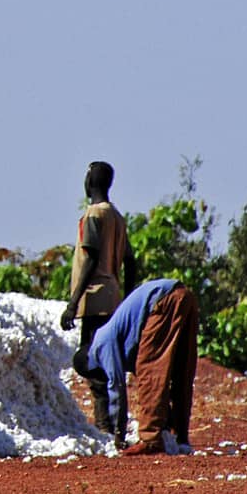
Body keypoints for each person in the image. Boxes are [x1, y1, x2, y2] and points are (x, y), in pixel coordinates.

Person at [73, 277, 200, 456]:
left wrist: (119, 433)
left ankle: (150, 439)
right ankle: (181, 437)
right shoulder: (121, 341)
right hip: (184, 297)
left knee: (150, 372)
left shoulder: (100, 346)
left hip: (164, 301)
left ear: (90, 366)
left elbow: (117, 385)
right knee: (180, 370)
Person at [59, 160, 139, 440]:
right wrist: (128, 300)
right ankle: (116, 427)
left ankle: (105, 426)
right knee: (110, 361)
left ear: (90, 181)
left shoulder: (93, 215)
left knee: (92, 362)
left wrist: (73, 303)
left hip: (94, 298)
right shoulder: (117, 217)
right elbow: (130, 261)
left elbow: (91, 258)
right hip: (113, 298)